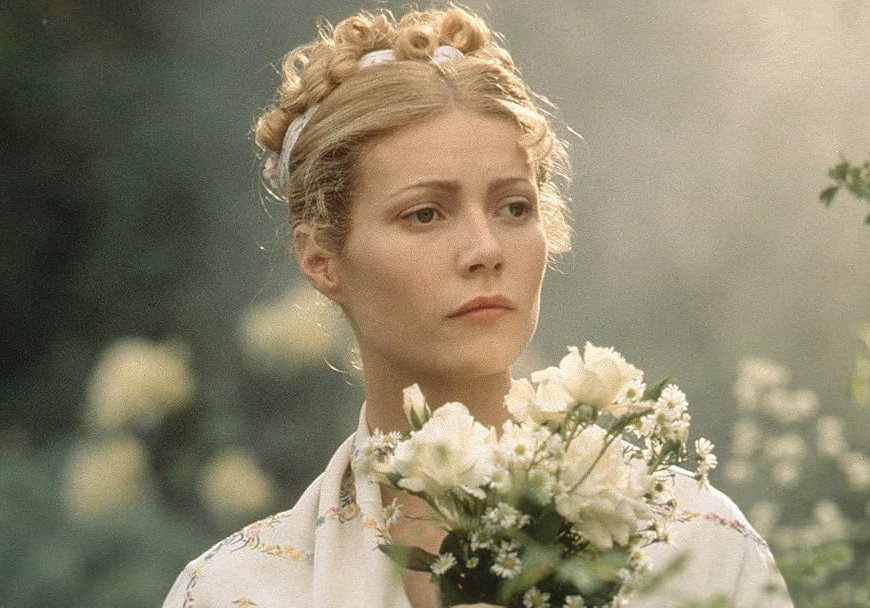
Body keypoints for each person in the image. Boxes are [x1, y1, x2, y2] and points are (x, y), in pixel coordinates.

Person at [163, 6, 792, 607]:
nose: (486, 249)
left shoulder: (697, 541)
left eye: (514, 207)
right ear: (322, 258)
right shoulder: (238, 591)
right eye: (425, 214)